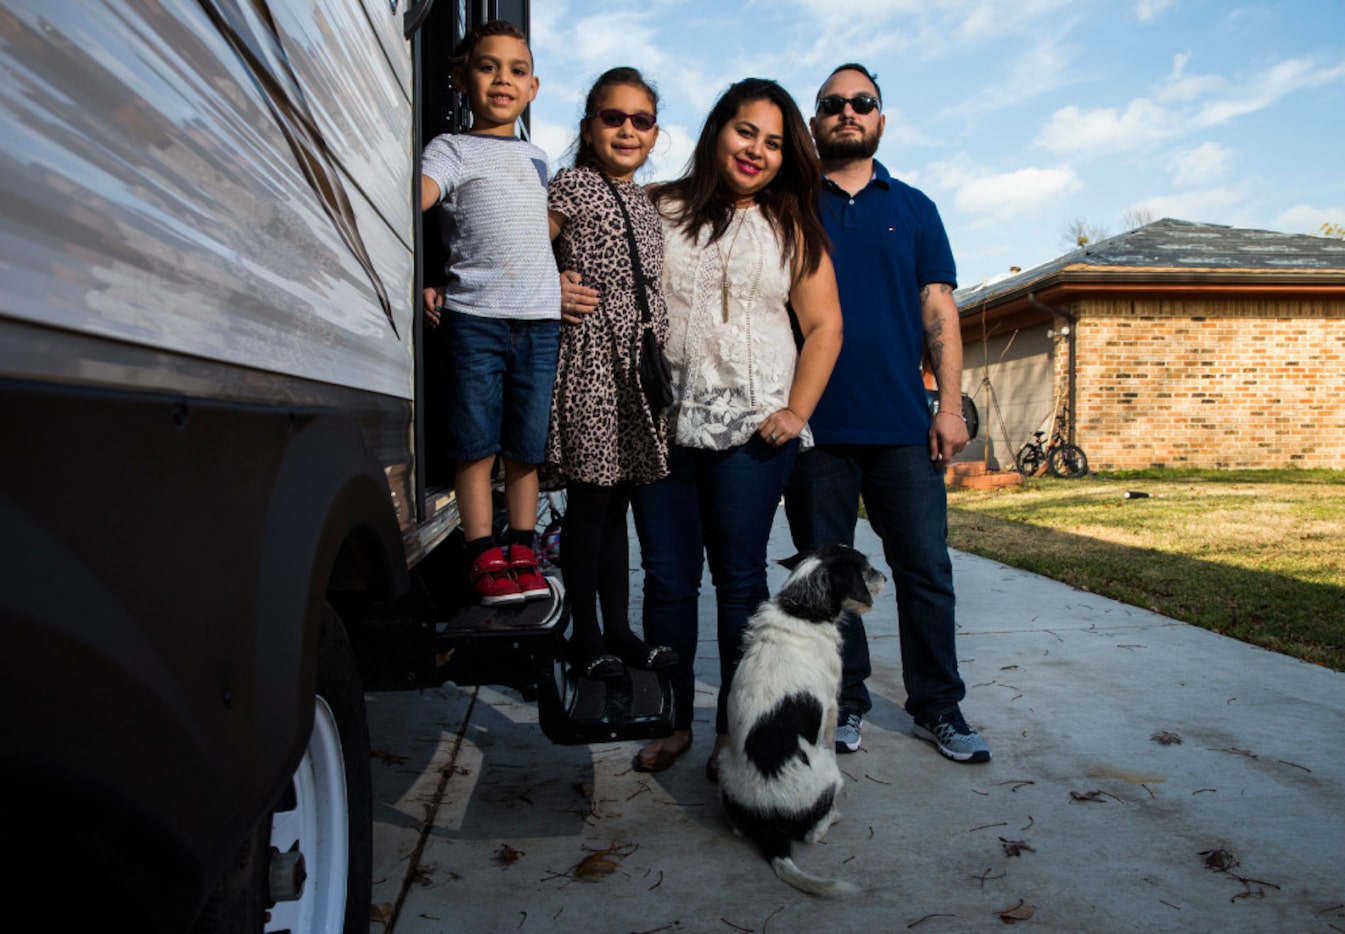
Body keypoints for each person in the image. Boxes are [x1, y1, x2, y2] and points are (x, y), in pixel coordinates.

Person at [628, 78, 844, 779]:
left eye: (775, 143)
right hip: (660, 422)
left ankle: (731, 731)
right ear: (719, 130)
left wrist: (796, 411)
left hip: (753, 435)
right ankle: (668, 723)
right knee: (665, 581)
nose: (757, 150)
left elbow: (823, 326)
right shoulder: (656, 206)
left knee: (738, 579)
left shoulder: (792, 228)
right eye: (746, 131)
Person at [785, 63, 990, 763]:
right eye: (831, 104)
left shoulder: (915, 207)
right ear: (813, 122)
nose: (847, 112)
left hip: (903, 425)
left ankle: (939, 706)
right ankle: (843, 702)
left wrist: (950, 405)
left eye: (860, 102)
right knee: (825, 575)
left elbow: (939, 310)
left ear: (880, 117)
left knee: (925, 570)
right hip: (815, 429)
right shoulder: (790, 205)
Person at [419, 21, 561, 606]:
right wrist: (424, 277)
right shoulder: (449, 149)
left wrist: (565, 274)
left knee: (525, 447)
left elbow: (538, 236)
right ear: (460, 78)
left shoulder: (538, 158)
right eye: (487, 66)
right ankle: (483, 556)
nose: (503, 78)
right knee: (475, 443)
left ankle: (523, 550)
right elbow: (416, 202)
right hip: (476, 317)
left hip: (540, 321)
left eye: (517, 70)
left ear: (532, 88)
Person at [544, 67, 678, 679]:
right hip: (592, 360)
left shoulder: (645, 204)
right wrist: (552, 286)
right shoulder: (569, 186)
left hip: (638, 368)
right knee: (590, 504)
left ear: (654, 134)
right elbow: (526, 254)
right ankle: (585, 635)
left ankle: (620, 629)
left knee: (619, 501)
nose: (627, 129)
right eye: (613, 117)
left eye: (641, 120)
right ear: (589, 127)